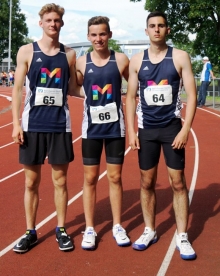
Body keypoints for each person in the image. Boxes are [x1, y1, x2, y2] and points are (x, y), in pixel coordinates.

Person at [126, 11, 197, 260]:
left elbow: (192, 94)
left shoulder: (180, 57)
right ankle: (150, 230)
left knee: (178, 183)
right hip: (146, 131)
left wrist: (186, 129)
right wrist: (132, 131)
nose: (156, 29)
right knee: (147, 183)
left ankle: (182, 235)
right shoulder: (136, 61)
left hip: (171, 129)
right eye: (152, 26)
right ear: (146, 31)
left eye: (161, 26)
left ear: (167, 30)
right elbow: (130, 97)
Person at [12, 3, 76, 253]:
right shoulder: (26, 51)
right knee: (31, 182)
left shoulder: (69, 54)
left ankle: (61, 229)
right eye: (48, 20)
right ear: (41, 23)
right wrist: (16, 123)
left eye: (57, 20)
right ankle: (30, 231)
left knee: (60, 180)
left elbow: (73, 89)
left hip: (60, 124)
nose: (53, 24)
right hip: (32, 124)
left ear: (61, 23)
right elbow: (17, 89)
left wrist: (107, 94)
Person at [69, 16, 130, 250]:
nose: (98, 39)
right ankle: (90, 228)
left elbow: (133, 86)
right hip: (91, 129)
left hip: (116, 128)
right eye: (94, 35)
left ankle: (117, 225)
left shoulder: (121, 60)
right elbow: (74, 88)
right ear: (88, 37)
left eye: (102, 34)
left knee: (115, 177)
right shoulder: (82, 62)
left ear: (110, 35)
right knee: (90, 179)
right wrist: (90, 98)